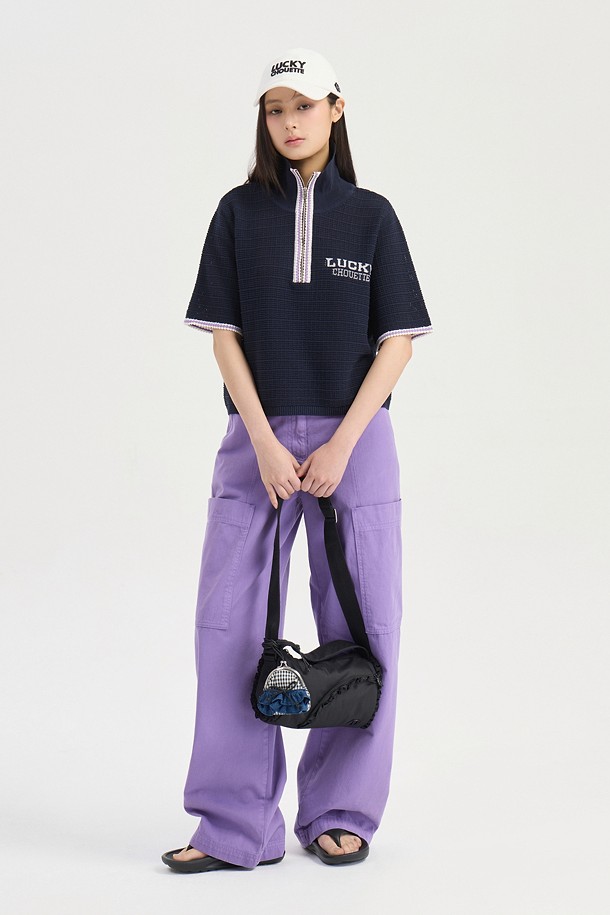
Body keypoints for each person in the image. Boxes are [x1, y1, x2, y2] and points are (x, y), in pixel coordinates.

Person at [162, 46, 433, 873]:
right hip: (258, 438)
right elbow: (224, 336)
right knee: (228, 624)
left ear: (336, 109)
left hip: (360, 439)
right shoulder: (238, 213)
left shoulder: (373, 216)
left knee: (367, 623)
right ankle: (234, 824)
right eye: (275, 109)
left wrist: (343, 442)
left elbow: (397, 342)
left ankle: (341, 809)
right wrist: (264, 441)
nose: (289, 122)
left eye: (304, 106)